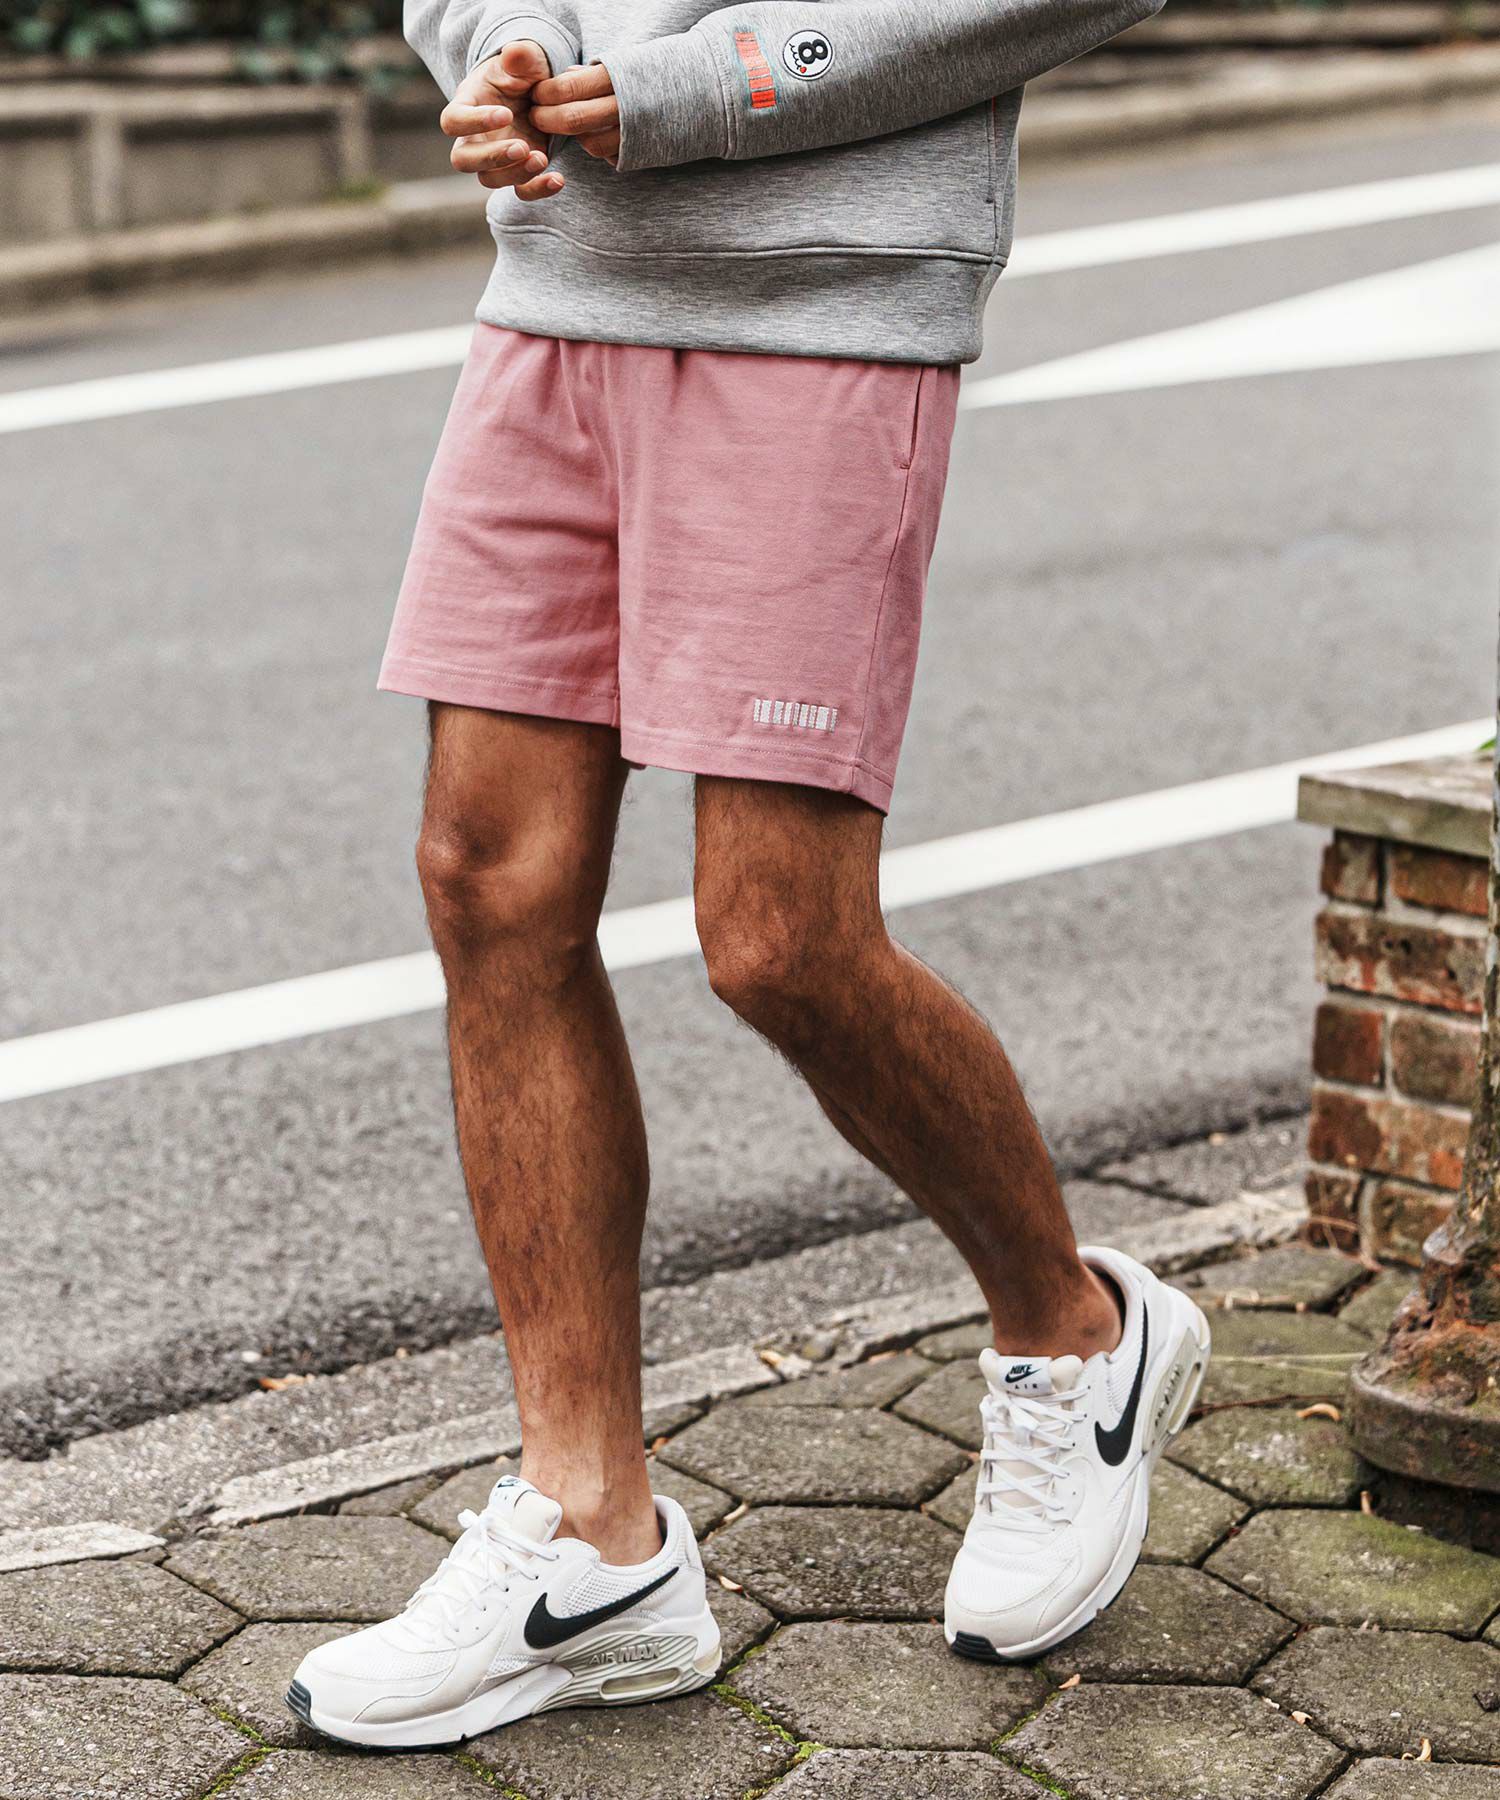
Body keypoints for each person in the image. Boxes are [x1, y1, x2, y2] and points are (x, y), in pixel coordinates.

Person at [287, 0, 1211, 1750]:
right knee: (489, 884)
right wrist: (501, 47)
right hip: (558, 292)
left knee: (779, 938)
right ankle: (594, 1540)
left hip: (823, 308)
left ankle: (1077, 1336)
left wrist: (694, 89)